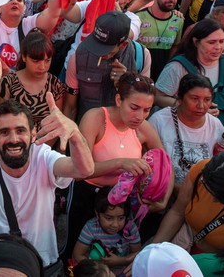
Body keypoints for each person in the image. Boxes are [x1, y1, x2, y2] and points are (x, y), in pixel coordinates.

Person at [0, 98, 94, 275]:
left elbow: (84, 170)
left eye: (20, 130)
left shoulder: (43, 157)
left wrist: (74, 134)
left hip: (44, 265)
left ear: (33, 133)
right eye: (4, 132)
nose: (13, 139)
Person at [63, 73, 168, 264]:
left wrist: (162, 199)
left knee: (113, 250)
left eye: (147, 110)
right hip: (87, 193)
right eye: (134, 107)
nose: (140, 116)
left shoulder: (143, 128)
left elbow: (165, 165)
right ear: (119, 99)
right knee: (76, 251)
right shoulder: (96, 118)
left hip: (120, 202)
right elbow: (78, 170)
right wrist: (120, 163)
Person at [155, 18, 224, 131]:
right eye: (211, 42)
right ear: (196, 42)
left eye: (221, 41)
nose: (218, 47)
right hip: (184, 128)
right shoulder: (178, 66)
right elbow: (158, 97)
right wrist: (190, 108)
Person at [64, 12, 151, 121]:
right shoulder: (77, 58)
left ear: (123, 44)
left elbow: (144, 104)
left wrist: (127, 82)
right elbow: (70, 107)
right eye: (96, 44)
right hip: (86, 130)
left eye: (106, 49)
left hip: (122, 131)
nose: (99, 52)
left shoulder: (141, 56)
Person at [149, 74, 224, 186]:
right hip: (163, 190)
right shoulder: (159, 121)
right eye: (194, 99)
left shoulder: (215, 125)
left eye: (207, 100)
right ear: (180, 98)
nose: (201, 105)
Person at [0, 30, 71, 128]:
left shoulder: (55, 85)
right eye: (36, 61)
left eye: (47, 61)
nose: (42, 67)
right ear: (24, 57)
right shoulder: (8, 83)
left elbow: (58, 122)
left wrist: (43, 143)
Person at [71, 188, 142, 272]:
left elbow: (138, 255)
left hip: (123, 272)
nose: (115, 225)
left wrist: (119, 261)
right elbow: (77, 255)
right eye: (109, 218)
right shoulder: (91, 227)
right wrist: (99, 269)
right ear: (97, 214)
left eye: (121, 218)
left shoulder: (130, 228)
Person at [135, 0, 184, 81]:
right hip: (140, 77)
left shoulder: (178, 20)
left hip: (163, 78)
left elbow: (175, 46)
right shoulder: (138, 18)